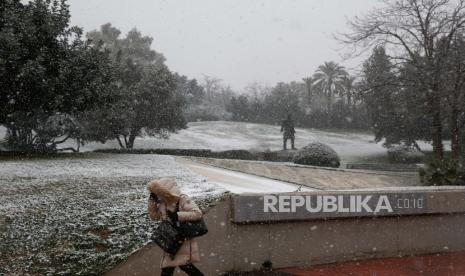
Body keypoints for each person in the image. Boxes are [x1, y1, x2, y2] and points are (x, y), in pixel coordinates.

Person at [147, 178, 204, 276]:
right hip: (171, 239)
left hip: (182, 239)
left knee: (174, 268)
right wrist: (152, 202)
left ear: (167, 191)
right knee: (179, 267)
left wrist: (178, 216)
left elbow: (197, 214)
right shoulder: (162, 203)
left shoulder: (183, 199)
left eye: (159, 192)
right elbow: (154, 217)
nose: (158, 195)